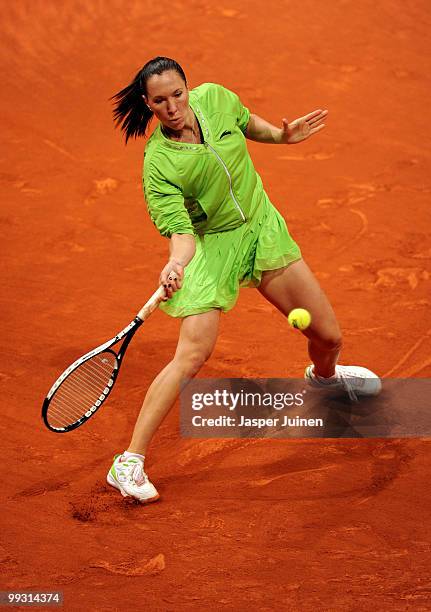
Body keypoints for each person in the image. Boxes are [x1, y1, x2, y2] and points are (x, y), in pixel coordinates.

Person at [106, 56, 381, 503]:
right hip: (210, 248)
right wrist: (176, 264)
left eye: (178, 94)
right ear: (148, 104)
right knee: (192, 355)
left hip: (260, 228)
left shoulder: (215, 98)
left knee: (329, 336)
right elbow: (182, 234)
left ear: (188, 88)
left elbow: (245, 121)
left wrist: (280, 135)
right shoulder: (159, 164)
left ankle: (325, 380)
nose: (172, 106)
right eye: (160, 101)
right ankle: (129, 461)